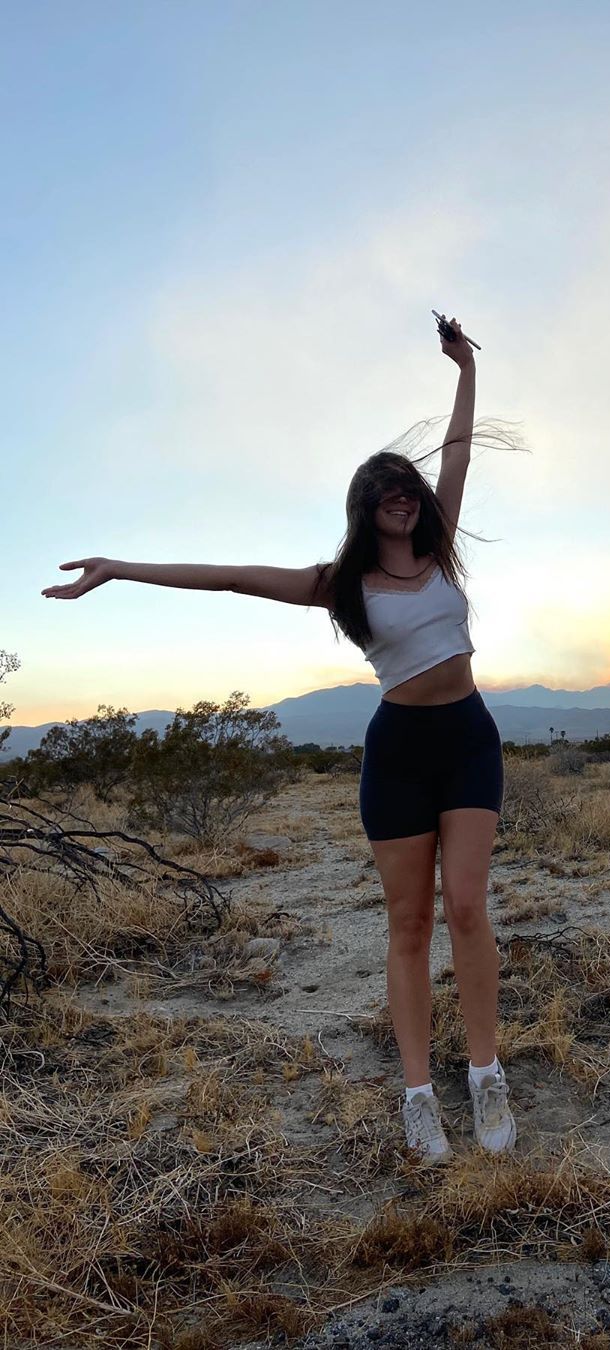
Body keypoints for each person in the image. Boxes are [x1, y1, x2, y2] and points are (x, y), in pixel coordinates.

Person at [42, 315, 523, 1166]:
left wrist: (464, 369)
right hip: (399, 753)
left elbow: (459, 452)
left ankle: (486, 1074)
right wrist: (119, 568)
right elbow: (232, 577)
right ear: (365, 508)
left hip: (468, 738)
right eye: (386, 490)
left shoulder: (443, 549)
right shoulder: (340, 585)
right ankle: (419, 1096)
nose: (404, 497)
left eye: (407, 486)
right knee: (409, 923)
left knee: (466, 907)